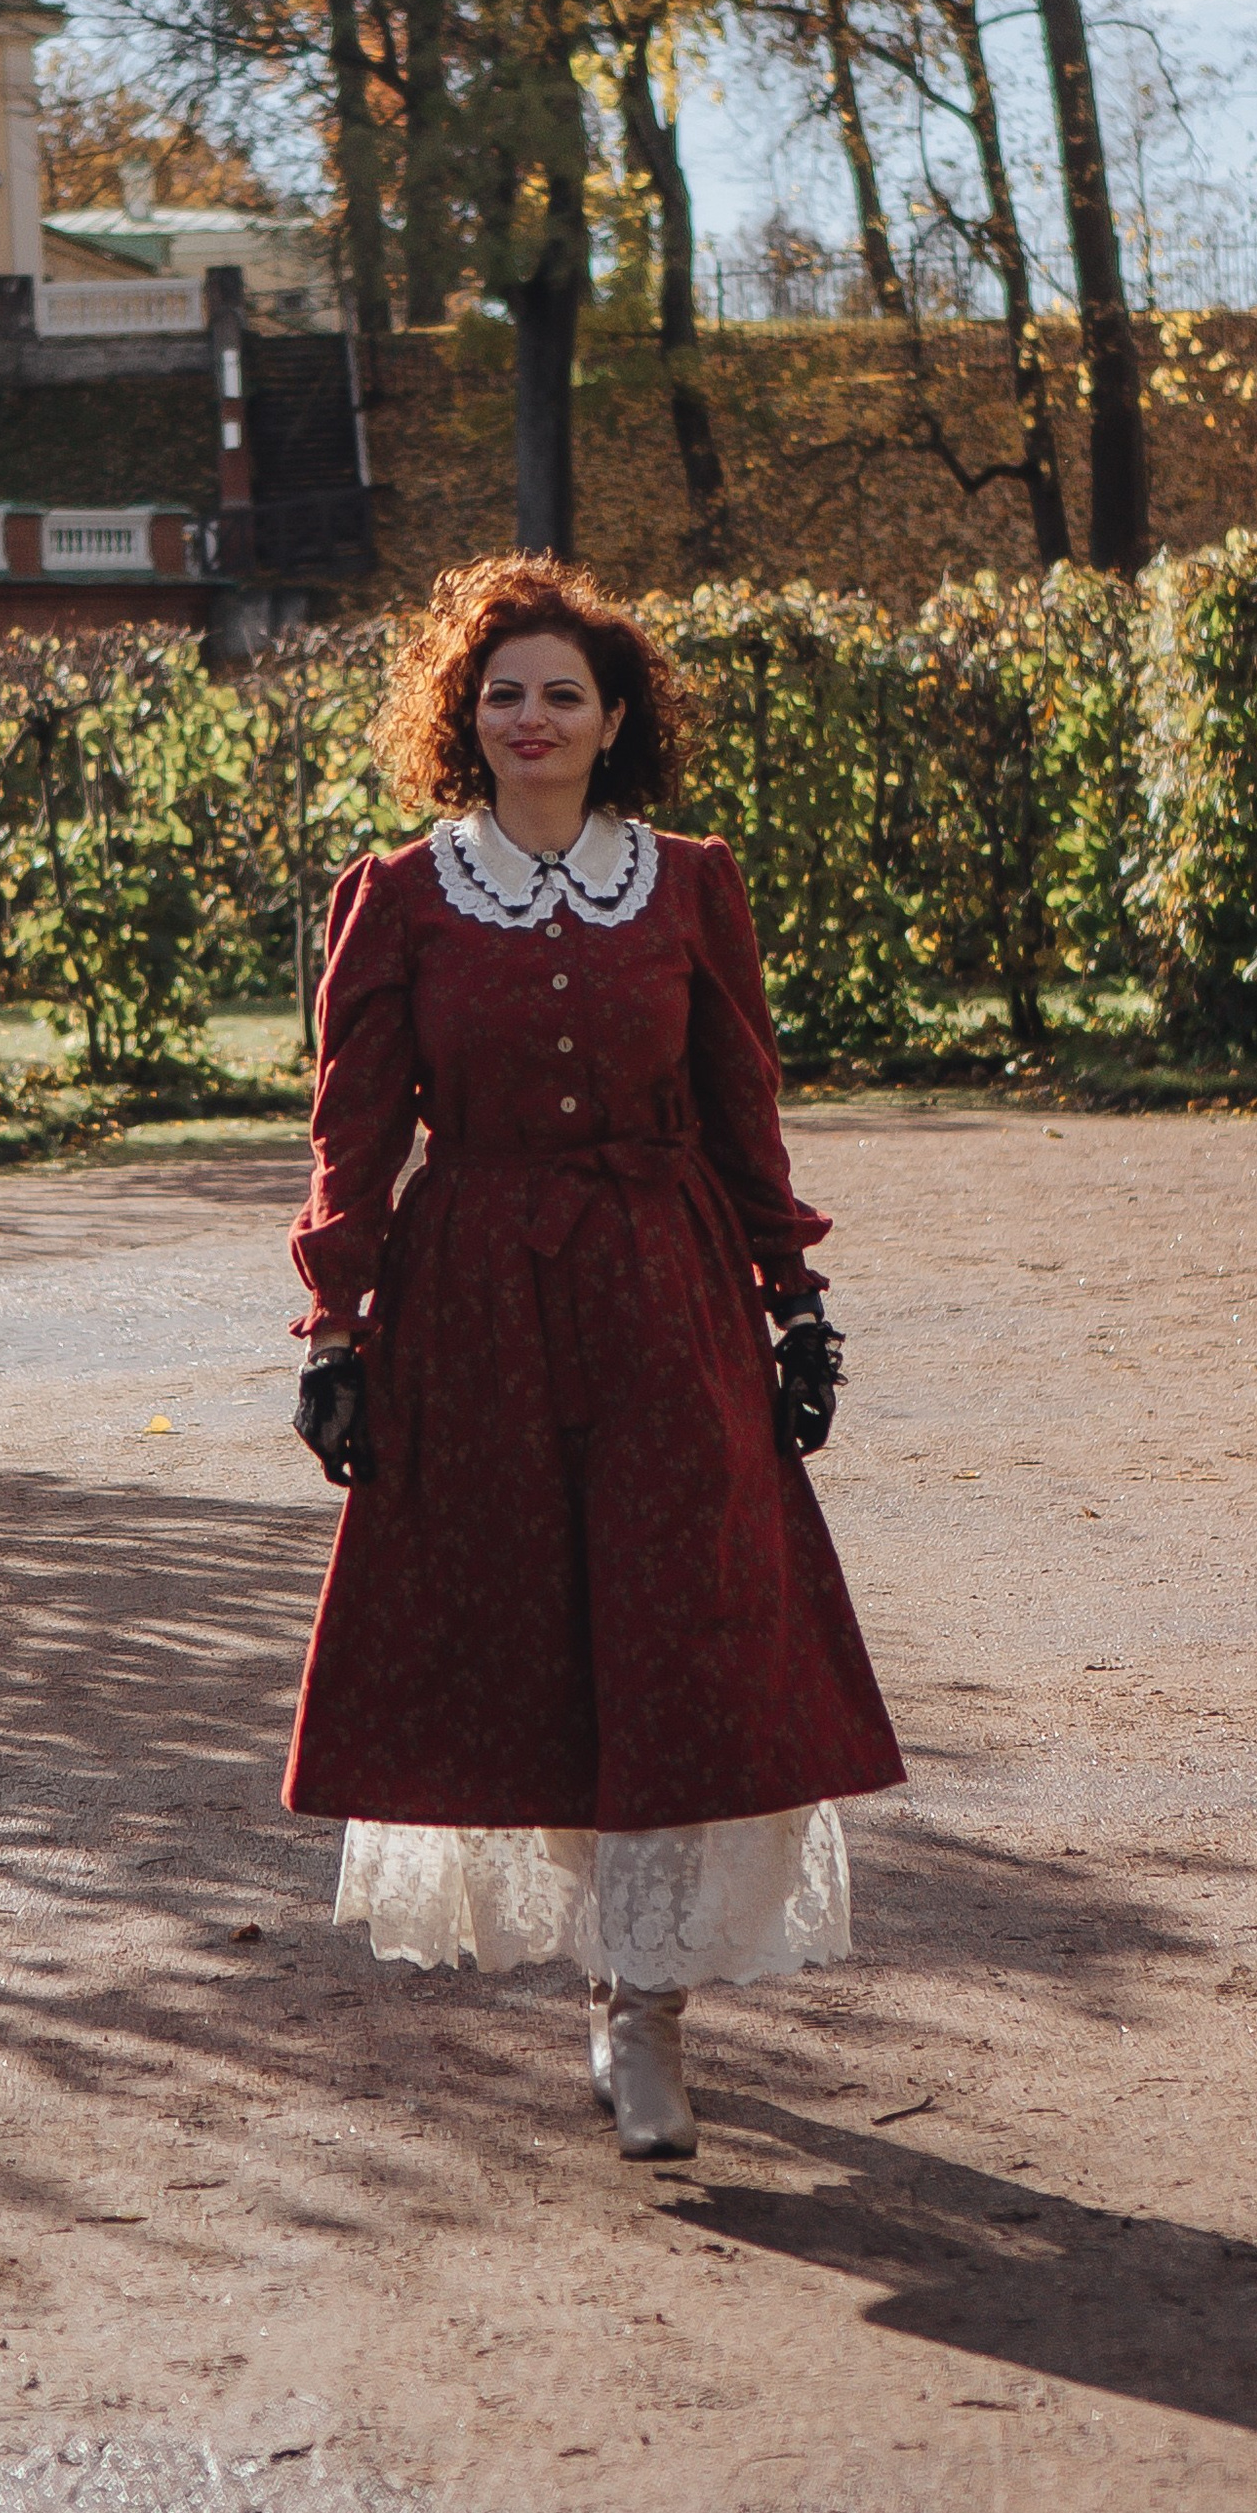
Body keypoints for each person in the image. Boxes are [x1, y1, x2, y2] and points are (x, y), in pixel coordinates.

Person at [282, 552, 905, 2160]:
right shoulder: (404, 896)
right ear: (464, 720)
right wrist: (333, 1329)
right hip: (477, 1302)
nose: (534, 716)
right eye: (505, 694)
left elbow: (742, 1107)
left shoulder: (689, 884)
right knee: (534, 1632)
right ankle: (607, 1975)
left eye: (564, 691)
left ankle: (646, 2009)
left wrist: (795, 1300)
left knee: (675, 1628)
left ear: (613, 714)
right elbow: (352, 1138)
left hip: (665, 1293)